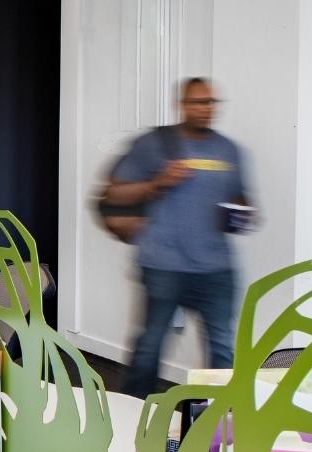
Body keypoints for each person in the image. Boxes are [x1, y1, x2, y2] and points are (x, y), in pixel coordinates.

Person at [106, 78, 253, 395]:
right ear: (182, 105)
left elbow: (240, 198)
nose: (206, 109)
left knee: (223, 348)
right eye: (198, 102)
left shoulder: (229, 151)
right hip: (162, 264)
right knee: (150, 346)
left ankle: (214, 417)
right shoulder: (153, 144)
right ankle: (133, 410)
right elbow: (114, 193)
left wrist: (243, 213)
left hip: (216, 268)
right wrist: (158, 182)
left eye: (211, 102)